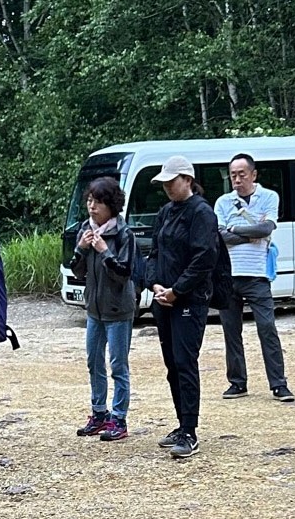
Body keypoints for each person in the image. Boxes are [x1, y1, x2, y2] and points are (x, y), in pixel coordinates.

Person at [146, 156, 219, 460]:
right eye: (163, 182)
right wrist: (155, 285)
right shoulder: (165, 212)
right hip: (164, 299)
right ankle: (180, 423)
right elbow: (152, 253)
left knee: (185, 362)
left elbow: (204, 259)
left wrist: (178, 290)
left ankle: (190, 430)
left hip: (189, 301)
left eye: (171, 181)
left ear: (187, 180)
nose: (166, 187)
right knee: (172, 365)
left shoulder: (201, 212)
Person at [215, 154, 295, 403]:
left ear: (253, 174)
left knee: (267, 327)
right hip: (229, 274)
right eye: (233, 174)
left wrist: (235, 228)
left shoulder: (269, 197)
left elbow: (266, 229)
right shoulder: (223, 202)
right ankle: (237, 382)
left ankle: (279, 384)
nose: (237, 179)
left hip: (257, 274)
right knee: (231, 330)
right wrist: (250, 234)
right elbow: (218, 236)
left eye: (241, 174)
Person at [69, 176, 137, 442]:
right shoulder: (85, 229)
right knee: (93, 361)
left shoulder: (123, 234)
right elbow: (77, 270)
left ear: (111, 205)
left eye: (98, 202)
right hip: (94, 310)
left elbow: (124, 274)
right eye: (89, 200)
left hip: (118, 310)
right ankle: (99, 413)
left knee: (118, 365)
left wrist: (105, 251)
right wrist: (82, 249)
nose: (92, 206)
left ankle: (119, 419)